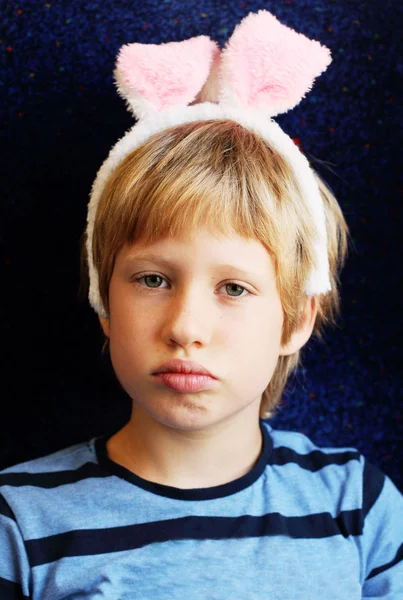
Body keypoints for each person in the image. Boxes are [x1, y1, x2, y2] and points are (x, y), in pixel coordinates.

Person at [1, 9, 402, 599]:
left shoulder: (361, 506)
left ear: (295, 318)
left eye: (234, 289)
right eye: (153, 280)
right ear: (103, 303)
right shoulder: (21, 524)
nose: (186, 328)